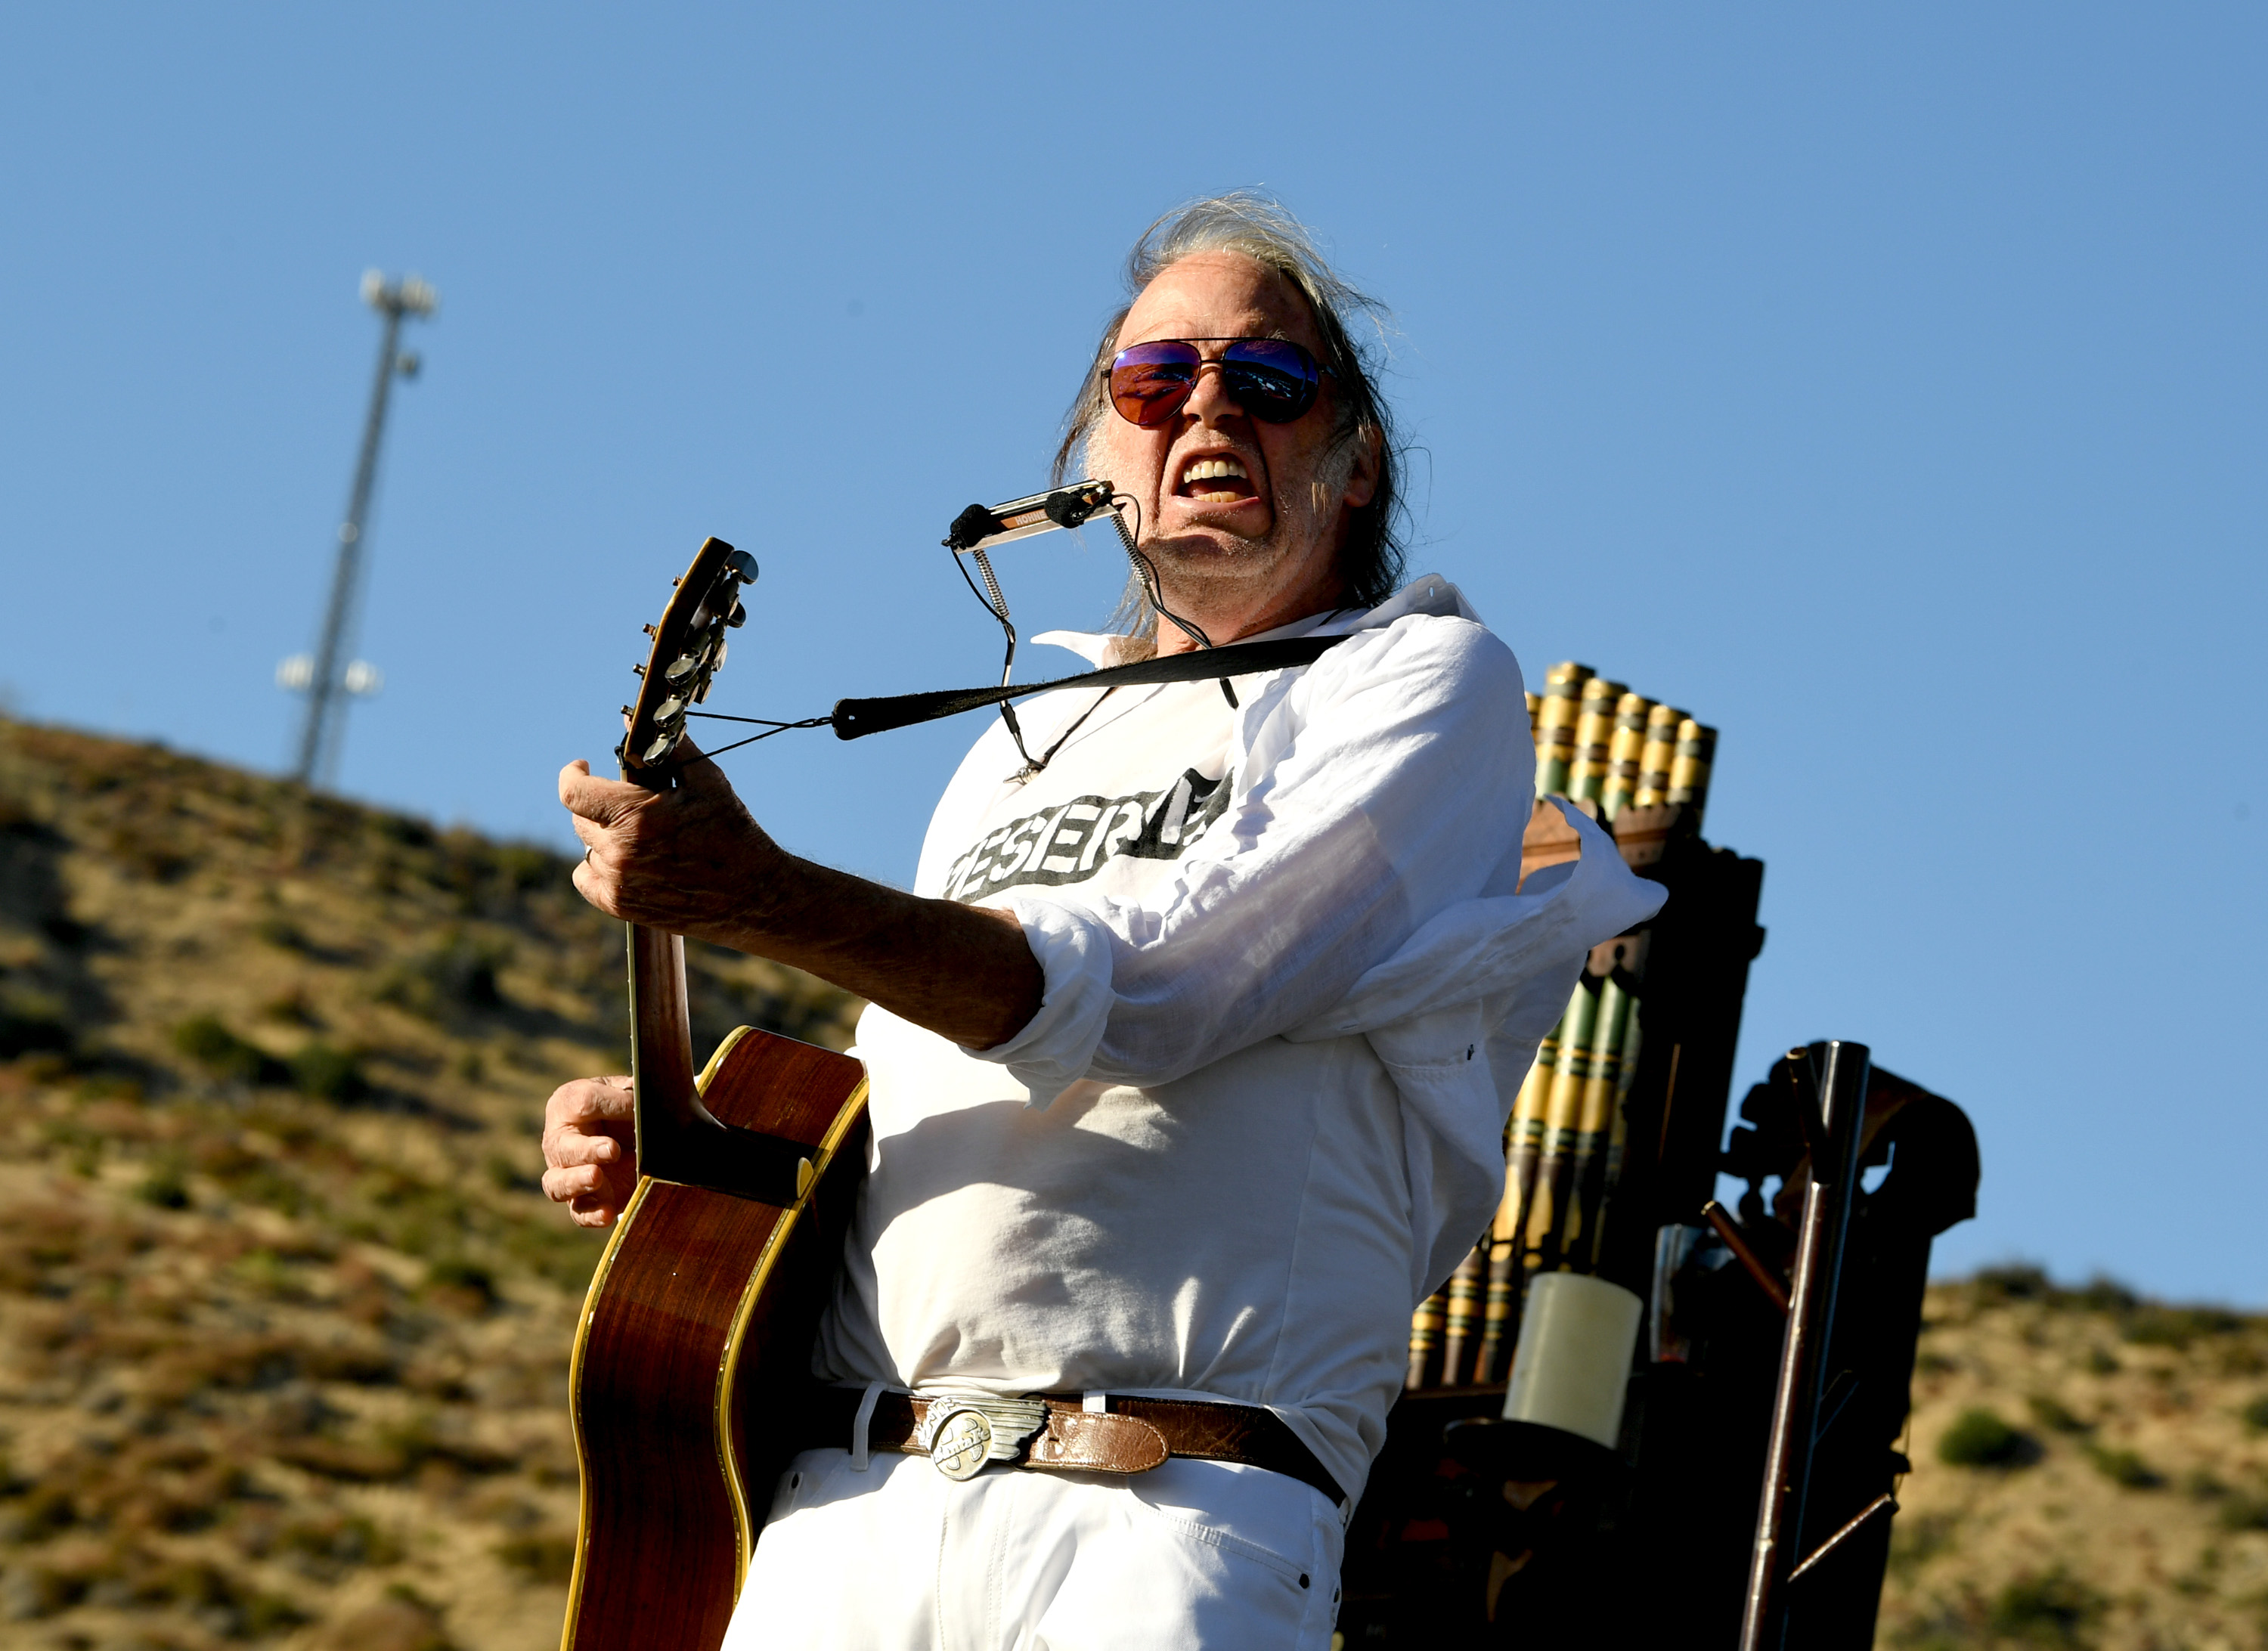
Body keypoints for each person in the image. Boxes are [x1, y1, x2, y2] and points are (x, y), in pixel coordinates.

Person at [544, 194, 1662, 1649]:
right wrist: (710, 1167)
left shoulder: (1418, 684)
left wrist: (769, 900)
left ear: (1358, 463)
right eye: (1153, 381)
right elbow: (938, 1097)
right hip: (850, 1506)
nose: (1206, 404)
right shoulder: (1014, 741)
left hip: (1171, 1505)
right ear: (1094, 463)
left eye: (1267, 381)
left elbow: (1175, 992)